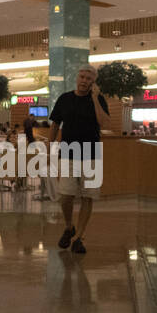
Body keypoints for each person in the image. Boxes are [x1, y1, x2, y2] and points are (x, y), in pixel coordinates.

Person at [48, 64, 109, 254]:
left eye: (88, 78)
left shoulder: (98, 99)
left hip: (92, 155)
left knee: (88, 197)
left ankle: (79, 237)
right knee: (65, 196)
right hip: (67, 153)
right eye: (82, 77)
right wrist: (49, 147)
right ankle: (69, 226)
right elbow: (55, 124)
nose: (84, 81)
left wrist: (95, 99)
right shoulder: (65, 99)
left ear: (93, 82)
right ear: (77, 77)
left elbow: (104, 122)